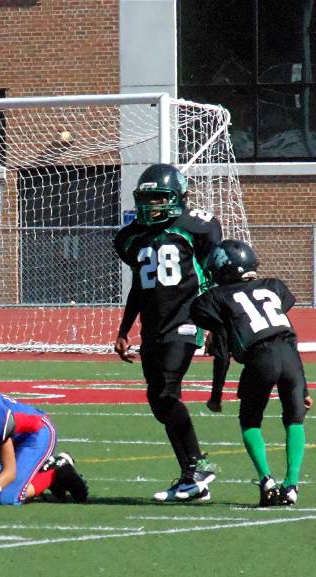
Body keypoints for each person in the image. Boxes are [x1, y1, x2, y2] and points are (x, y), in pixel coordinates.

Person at [112, 163, 221, 502]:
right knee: (158, 400)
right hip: (154, 326)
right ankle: (192, 476)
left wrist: (215, 324)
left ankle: (198, 466)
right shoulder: (133, 237)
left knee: (166, 393)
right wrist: (124, 329)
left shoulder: (194, 226)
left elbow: (212, 275)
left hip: (186, 319)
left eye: (159, 198)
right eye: (147, 199)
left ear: (178, 197)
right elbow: (139, 288)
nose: (152, 205)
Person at [190, 240, 313, 506]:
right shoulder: (273, 286)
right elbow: (287, 334)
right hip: (290, 356)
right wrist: (303, 387)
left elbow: (222, 353)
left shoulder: (215, 298)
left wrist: (216, 395)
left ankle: (266, 480)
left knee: (250, 421)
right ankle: (291, 485)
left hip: (260, 358)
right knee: (294, 420)